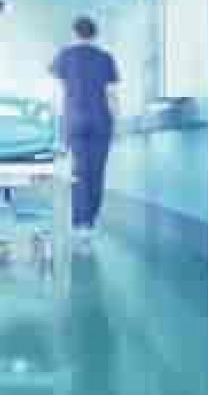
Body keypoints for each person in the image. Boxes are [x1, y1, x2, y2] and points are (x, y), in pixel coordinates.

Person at [50, 16, 120, 247]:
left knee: (79, 171)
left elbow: (56, 91)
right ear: (95, 34)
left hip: (74, 120)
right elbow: (112, 95)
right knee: (97, 172)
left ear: (74, 33)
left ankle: (80, 224)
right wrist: (116, 122)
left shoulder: (64, 56)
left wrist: (57, 124)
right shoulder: (106, 58)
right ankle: (90, 221)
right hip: (101, 120)